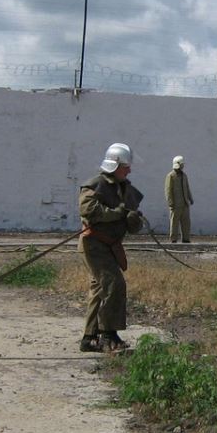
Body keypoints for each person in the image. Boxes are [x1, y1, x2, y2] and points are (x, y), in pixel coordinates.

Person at [77, 143, 143, 353]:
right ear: (114, 165)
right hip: (93, 244)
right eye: (125, 166)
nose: (129, 170)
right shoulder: (94, 185)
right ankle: (108, 335)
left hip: (111, 246)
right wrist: (118, 213)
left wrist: (134, 219)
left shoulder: (127, 190)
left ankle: (89, 338)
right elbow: (89, 211)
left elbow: (134, 227)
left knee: (100, 289)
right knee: (114, 284)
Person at [164, 155, 194, 243]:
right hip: (175, 204)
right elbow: (168, 190)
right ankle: (173, 239)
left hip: (185, 203)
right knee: (174, 222)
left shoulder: (184, 176)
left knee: (186, 222)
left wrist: (190, 198)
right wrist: (170, 202)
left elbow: (187, 188)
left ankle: (186, 238)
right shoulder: (170, 176)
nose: (182, 166)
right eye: (181, 164)